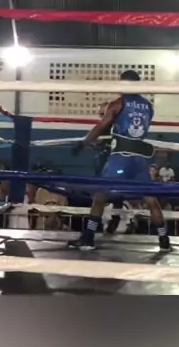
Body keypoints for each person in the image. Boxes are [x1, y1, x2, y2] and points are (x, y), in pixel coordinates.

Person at [68, 69, 171, 252]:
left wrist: (84, 142)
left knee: (100, 196)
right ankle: (164, 241)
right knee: (151, 200)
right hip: (139, 159)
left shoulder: (118, 103)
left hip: (120, 158)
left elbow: (102, 125)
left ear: (125, 83)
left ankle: (88, 239)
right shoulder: (148, 106)